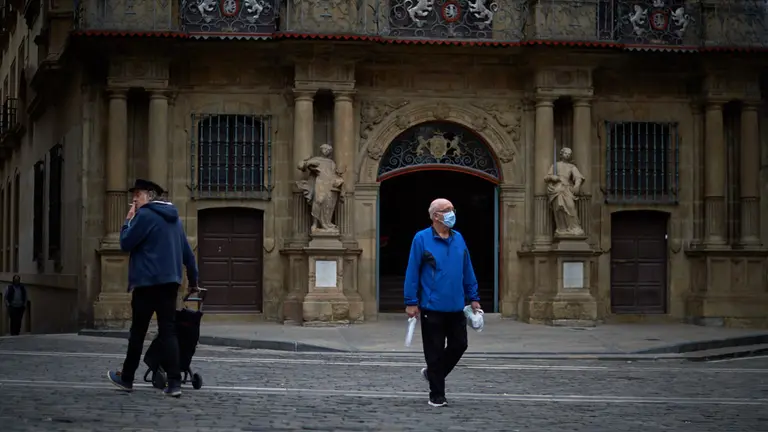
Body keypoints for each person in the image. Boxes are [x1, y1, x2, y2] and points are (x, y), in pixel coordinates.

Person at [107, 179, 199, 398]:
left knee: (138, 332)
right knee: (168, 331)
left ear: (149, 195)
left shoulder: (145, 215)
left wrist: (127, 221)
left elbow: (125, 243)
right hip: (169, 284)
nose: (134, 200)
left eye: (137, 196)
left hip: (147, 284)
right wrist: (194, 281)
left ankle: (127, 378)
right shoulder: (175, 219)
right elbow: (188, 254)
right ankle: (175, 383)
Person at [403, 198, 481, 407]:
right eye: (447, 210)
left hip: (456, 306)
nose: (451, 213)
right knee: (434, 351)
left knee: (460, 345)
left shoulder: (459, 238)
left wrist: (473, 297)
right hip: (432, 307)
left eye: (452, 209)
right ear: (436, 216)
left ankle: (432, 374)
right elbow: (412, 271)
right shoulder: (421, 239)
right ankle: (437, 394)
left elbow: (467, 268)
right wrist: (411, 301)